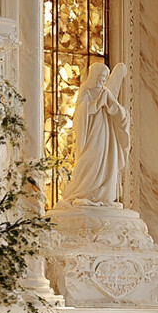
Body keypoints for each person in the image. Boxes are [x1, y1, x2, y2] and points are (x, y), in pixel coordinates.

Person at [61, 62, 130, 206]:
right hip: (90, 133)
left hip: (105, 134)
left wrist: (120, 112)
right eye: (101, 76)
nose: (103, 80)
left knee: (105, 160)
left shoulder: (105, 92)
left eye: (105, 77)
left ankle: (102, 195)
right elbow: (82, 113)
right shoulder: (86, 91)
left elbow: (118, 111)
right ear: (94, 75)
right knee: (89, 159)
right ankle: (83, 192)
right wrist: (99, 103)